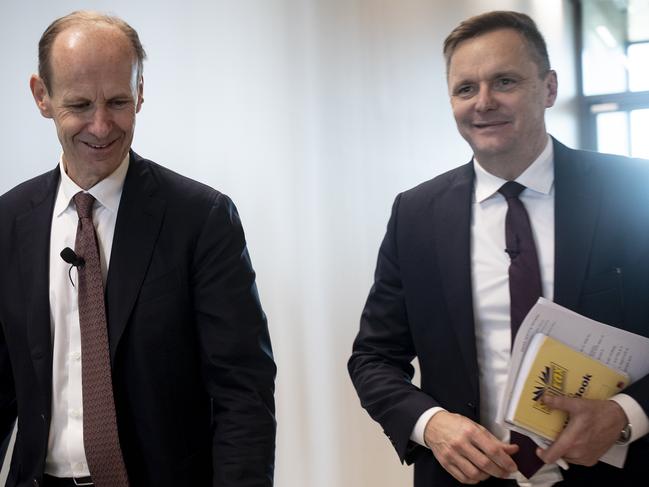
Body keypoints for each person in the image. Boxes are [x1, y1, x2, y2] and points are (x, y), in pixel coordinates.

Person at [348, 10, 649, 487]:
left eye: (504, 81)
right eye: (466, 88)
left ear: (548, 88)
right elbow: (373, 358)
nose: (483, 103)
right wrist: (431, 425)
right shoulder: (416, 214)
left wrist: (625, 412)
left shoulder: (634, 190)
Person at [0, 11, 276, 487]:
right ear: (41, 96)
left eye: (119, 101)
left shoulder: (203, 218)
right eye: (80, 104)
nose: (102, 126)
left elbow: (242, 392)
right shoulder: (7, 221)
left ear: (141, 91)